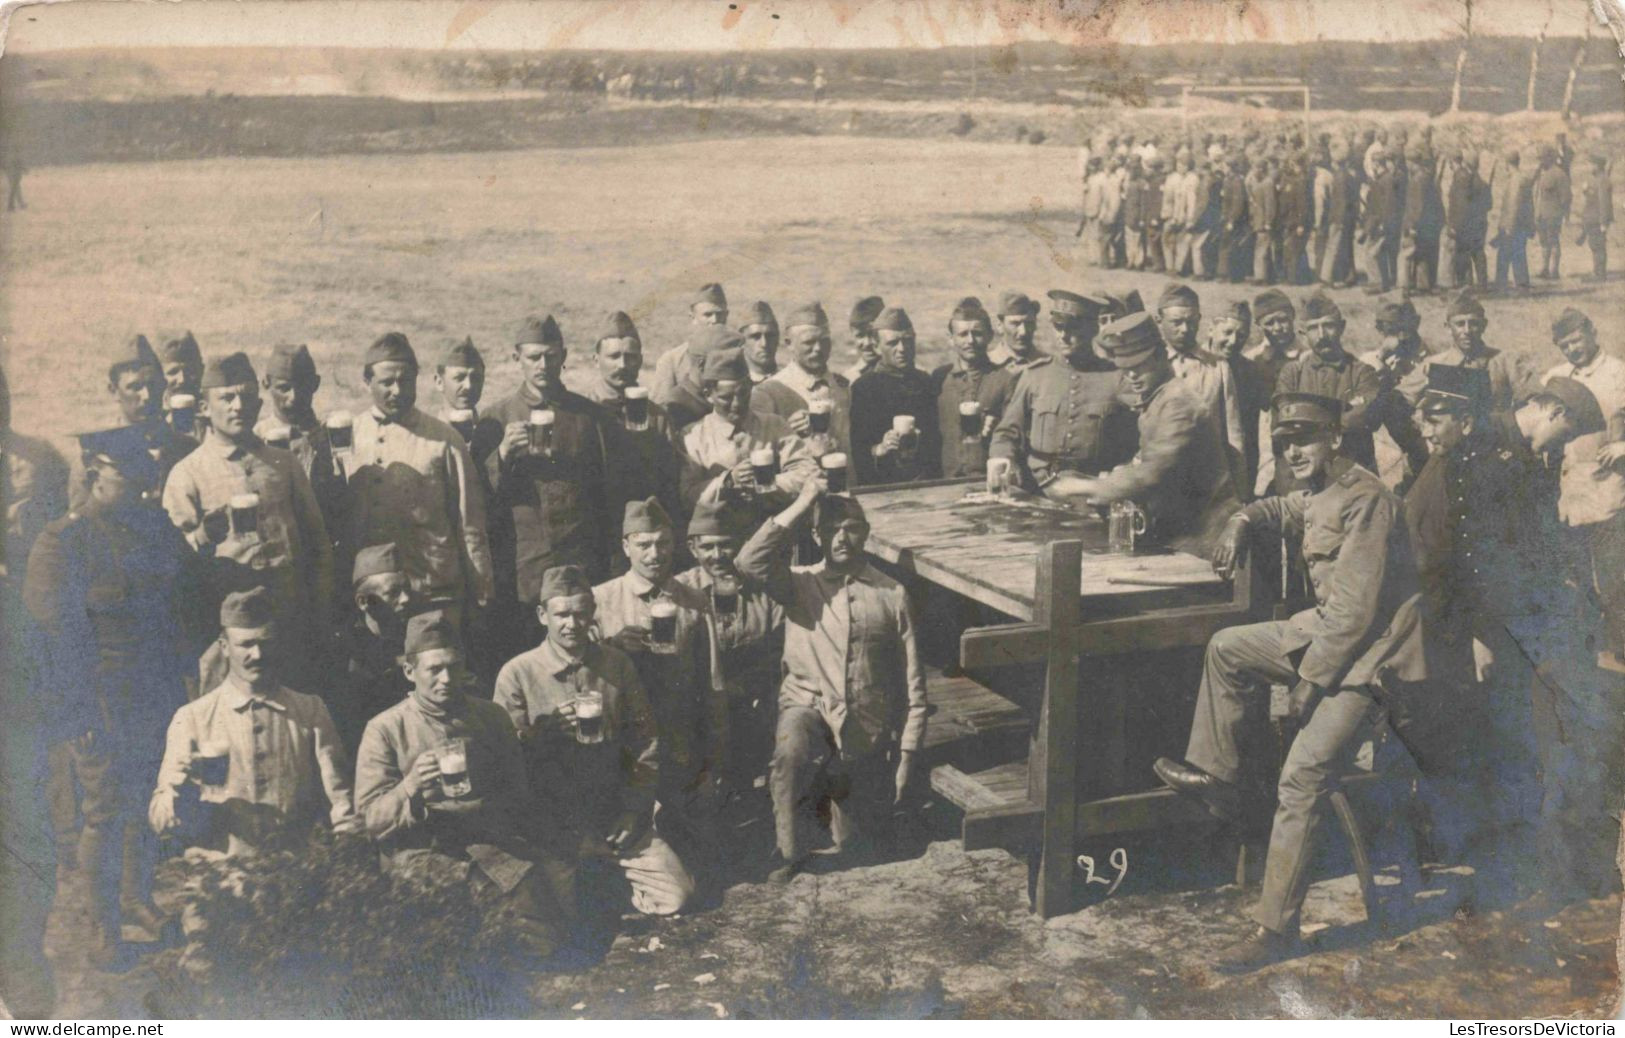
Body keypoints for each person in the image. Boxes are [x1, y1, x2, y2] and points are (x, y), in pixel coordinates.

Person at [1153, 392, 1428, 973]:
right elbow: (1287, 510)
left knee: (1302, 776)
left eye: (1304, 438)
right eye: (1283, 441)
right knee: (1228, 647)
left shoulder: (1367, 499)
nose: (1292, 450)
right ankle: (1219, 778)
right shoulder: (1324, 490)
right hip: (1328, 639)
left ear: (1335, 439)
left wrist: (1307, 683)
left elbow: (1355, 615)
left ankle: (1276, 931)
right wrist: (1242, 517)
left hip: (1372, 662)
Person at [24, 427, 197, 964]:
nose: (145, 487)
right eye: (131, 477)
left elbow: (185, 592)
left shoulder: (152, 526)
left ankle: (136, 898)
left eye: (148, 476)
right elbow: (51, 638)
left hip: (154, 692)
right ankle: (101, 928)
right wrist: (77, 710)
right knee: (102, 811)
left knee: (144, 796)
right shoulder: (65, 541)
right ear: (96, 476)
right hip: (97, 700)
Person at [736, 477, 928, 882]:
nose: (842, 538)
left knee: (863, 848)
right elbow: (749, 562)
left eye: (852, 528)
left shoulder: (891, 593)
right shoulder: (799, 583)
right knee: (791, 745)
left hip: (863, 727)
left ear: (867, 534)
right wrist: (804, 501)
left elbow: (914, 685)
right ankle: (788, 852)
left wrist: (907, 757)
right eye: (831, 529)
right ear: (816, 535)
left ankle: (833, 797)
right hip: (808, 707)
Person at [357, 611, 576, 959]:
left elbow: (518, 794)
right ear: (410, 672)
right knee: (494, 911)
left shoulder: (490, 717)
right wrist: (411, 785)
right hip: (419, 850)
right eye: (434, 670)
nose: (446, 679)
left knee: (560, 894)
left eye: (454, 667)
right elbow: (371, 821)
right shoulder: (385, 728)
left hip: (486, 840)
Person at [494, 564, 694, 918]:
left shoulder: (617, 665)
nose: (572, 624)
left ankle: (604, 867)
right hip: (553, 818)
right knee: (566, 915)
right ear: (543, 615)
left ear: (593, 614)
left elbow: (645, 740)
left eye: (581, 614)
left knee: (676, 894)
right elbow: (503, 759)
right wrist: (543, 733)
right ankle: (587, 874)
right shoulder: (517, 673)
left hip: (611, 809)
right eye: (562, 615)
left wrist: (635, 809)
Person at [163, 352, 335, 682]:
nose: (237, 407)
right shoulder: (188, 474)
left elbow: (318, 546)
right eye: (226, 398)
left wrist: (320, 613)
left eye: (245, 397)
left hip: (291, 622)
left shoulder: (284, 464)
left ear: (258, 402)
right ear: (203, 407)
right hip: (229, 633)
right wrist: (202, 534)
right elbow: (176, 564)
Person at [149, 586, 359, 856]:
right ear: (224, 647)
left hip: (295, 870)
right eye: (246, 644)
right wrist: (178, 794)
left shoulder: (309, 711)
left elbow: (340, 801)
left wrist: (346, 854)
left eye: (265, 642)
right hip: (221, 875)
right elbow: (159, 819)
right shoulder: (192, 718)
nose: (257, 655)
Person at [590, 499, 726, 884]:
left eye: (663, 544)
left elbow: (712, 684)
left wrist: (713, 761)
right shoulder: (600, 601)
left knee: (700, 861)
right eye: (644, 544)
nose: (654, 554)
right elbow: (580, 678)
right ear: (625, 547)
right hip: (622, 747)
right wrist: (611, 648)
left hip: (678, 743)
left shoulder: (694, 602)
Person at [1046, 312, 1241, 556]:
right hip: (1183, 535)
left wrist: (1085, 487)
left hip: (1206, 540)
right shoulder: (1159, 398)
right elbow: (1146, 462)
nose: (1132, 377)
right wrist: (1119, 473)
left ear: (1161, 356)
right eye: (1126, 370)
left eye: (1139, 367)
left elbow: (1152, 473)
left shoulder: (1178, 403)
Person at [343, 332, 494, 623]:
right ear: (367, 382)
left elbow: (470, 524)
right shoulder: (348, 437)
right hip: (374, 601)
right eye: (387, 382)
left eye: (405, 381)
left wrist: (482, 590)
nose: (397, 391)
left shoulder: (444, 439)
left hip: (434, 592)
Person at [484, 315, 611, 656]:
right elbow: (481, 500)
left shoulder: (589, 417)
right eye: (533, 357)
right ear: (517, 359)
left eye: (551, 356)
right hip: (525, 572)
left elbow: (606, 496)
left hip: (580, 566)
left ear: (564, 356)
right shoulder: (495, 418)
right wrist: (502, 454)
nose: (543, 365)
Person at [675, 499, 785, 811]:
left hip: (753, 698)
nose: (717, 556)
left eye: (725, 546)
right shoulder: (679, 592)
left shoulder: (760, 591)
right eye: (708, 547)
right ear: (693, 548)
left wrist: (747, 686)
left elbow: (780, 649)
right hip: (699, 703)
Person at [988, 289, 1134, 493]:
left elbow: (1137, 441)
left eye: (1073, 328)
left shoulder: (1116, 378)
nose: (1063, 336)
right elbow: (1007, 432)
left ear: (1093, 329)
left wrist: (1121, 471)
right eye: (1058, 327)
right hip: (1039, 488)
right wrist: (1001, 456)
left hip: (1092, 490)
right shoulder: (1035, 375)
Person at [1544, 308, 1625, 666]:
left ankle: (1620, 650)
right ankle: (1589, 650)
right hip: (1567, 495)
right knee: (1574, 576)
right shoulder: (1556, 377)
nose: (1572, 349)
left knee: (1613, 576)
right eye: (1564, 345)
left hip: (1609, 491)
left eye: (1576, 340)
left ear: (1592, 332)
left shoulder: (1619, 373)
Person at [575, 311, 684, 565]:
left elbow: (672, 482)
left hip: (645, 539)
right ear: (596, 359)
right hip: (596, 534)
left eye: (630, 357)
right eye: (613, 356)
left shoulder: (657, 417)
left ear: (640, 360)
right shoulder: (580, 413)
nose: (622, 365)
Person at [1269, 293, 1393, 491]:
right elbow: (1282, 424)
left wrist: (1308, 426)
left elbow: (1369, 418)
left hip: (1351, 479)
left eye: (1328, 326)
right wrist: (1342, 418)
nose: (1321, 335)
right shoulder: (1292, 374)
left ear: (1342, 327)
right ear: (1302, 333)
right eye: (1313, 328)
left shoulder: (1362, 373)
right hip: (1300, 484)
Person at [679, 346, 819, 515]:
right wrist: (728, 481)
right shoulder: (692, 437)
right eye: (726, 398)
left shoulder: (774, 425)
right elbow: (686, 495)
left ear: (751, 387)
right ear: (708, 394)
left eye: (743, 394)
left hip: (774, 524)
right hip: (720, 531)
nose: (737, 404)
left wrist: (767, 483)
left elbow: (808, 472)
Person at [1152, 283, 1246, 493]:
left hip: (1205, 482)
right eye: (1177, 322)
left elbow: (1234, 434)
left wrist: (1240, 491)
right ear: (1159, 321)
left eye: (1191, 322)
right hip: (1158, 481)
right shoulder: (1150, 366)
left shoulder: (1218, 367)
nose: (1185, 329)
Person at [255, 343, 345, 547]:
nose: (294, 397)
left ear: (315, 383)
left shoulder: (335, 435)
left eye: (302, 385)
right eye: (284, 388)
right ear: (266, 383)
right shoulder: (255, 439)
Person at [851, 305, 942, 486]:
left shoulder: (925, 382)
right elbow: (856, 449)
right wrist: (880, 448)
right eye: (892, 343)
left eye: (907, 341)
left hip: (924, 482)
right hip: (882, 484)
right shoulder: (864, 388)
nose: (902, 348)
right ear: (876, 346)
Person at [340, 542, 417, 747]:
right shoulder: (345, 652)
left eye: (406, 589)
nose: (406, 599)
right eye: (393, 593)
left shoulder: (419, 633)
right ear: (363, 602)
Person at [751, 301, 851, 458]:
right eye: (809, 342)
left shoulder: (844, 387)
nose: (818, 348)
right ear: (789, 344)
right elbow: (758, 454)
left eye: (824, 340)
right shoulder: (769, 392)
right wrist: (786, 431)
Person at [931, 297, 1017, 481]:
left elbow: (1016, 436)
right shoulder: (939, 379)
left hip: (986, 480)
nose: (970, 340)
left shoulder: (1005, 380)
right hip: (942, 482)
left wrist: (996, 426)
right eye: (962, 334)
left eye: (977, 333)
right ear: (951, 339)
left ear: (989, 335)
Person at [1356, 300, 1432, 489]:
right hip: (1384, 449)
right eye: (1392, 330)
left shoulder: (1432, 360)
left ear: (1416, 324)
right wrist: (1381, 357)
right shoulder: (1370, 360)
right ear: (1380, 330)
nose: (1401, 337)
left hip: (1420, 445)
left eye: (1406, 329)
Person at [106, 334, 195, 488]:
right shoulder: (100, 455)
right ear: (113, 391)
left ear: (163, 385)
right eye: (134, 388)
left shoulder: (187, 449)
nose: (146, 396)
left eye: (153, 385)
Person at [1430, 290, 1541, 414]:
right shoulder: (1434, 364)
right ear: (1448, 328)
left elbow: (1533, 400)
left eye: (1474, 324)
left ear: (1484, 325)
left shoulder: (1505, 361)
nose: (1467, 330)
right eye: (1460, 324)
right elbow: (1406, 397)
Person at [650, 283, 729, 428]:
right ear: (693, 318)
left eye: (720, 314)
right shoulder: (672, 360)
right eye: (708, 315)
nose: (715, 320)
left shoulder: (736, 355)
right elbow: (660, 414)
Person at [1399, 145, 1443, 295]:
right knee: (1424, 254)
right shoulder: (1427, 176)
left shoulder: (1417, 180)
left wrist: (1412, 225)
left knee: (1416, 254)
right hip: (1429, 223)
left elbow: (1416, 206)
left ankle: (1416, 286)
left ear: (1411, 162)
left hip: (1420, 223)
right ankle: (1422, 285)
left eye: (1407, 162)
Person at [1491, 149, 1534, 292]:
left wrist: (1508, 226)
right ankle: (1522, 282)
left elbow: (1513, 204)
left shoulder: (1515, 181)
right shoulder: (1523, 179)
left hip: (1512, 224)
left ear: (1507, 164)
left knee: (1504, 254)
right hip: (1521, 224)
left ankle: (1502, 283)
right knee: (1518, 253)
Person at [1358, 148, 1399, 294]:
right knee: (1376, 252)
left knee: (1372, 252)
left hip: (1380, 222)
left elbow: (1388, 204)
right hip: (1376, 221)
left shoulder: (1386, 180)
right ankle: (1381, 282)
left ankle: (1378, 283)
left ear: (1377, 163)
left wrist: (1383, 224)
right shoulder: (1381, 179)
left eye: (1373, 163)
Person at [157, 332, 207, 444]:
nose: (182, 380)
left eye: (190, 371)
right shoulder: (154, 419)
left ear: (201, 370)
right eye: (173, 372)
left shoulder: (216, 414)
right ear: (159, 376)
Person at [1532, 145, 1572, 280]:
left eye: (1542, 158)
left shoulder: (1559, 174)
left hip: (1553, 215)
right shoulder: (1541, 173)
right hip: (1541, 214)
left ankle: (1554, 271)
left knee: (1553, 241)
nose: (1540, 162)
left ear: (1550, 158)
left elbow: (1566, 198)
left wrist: (1563, 215)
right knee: (1543, 242)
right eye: (1539, 159)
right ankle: (1544, 269)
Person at [1575, 153, 1612, 282]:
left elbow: (1604, 202)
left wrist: (1603, 222)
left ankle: (1600, 274)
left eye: (1591, 164)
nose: (1589, 166)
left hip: (1597, 220)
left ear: (1597, 165)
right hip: (1592, 219)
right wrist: (1585, 191)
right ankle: (1597, 272)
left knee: (1598, 247)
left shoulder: (1602, 180)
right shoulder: (1596, 178)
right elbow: (1593, 198)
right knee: (1594, 245)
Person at [987, 291, 1044, 371]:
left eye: (1029, 323)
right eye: (1015, 324)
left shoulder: (1048, 364)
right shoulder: (985, 364)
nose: (1023, 332)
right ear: (1000, 325)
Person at [842, 296, 885, 384]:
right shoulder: (849, 379)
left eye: (873, 335)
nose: (867, 343)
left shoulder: (905, 375)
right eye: (860, 336)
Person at [738, 300, 781, 384]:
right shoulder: (734, 384)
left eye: (770, 336)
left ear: (777, 339)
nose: (764, 344)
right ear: (741, 341)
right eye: (756, 337)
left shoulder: (790, 380)